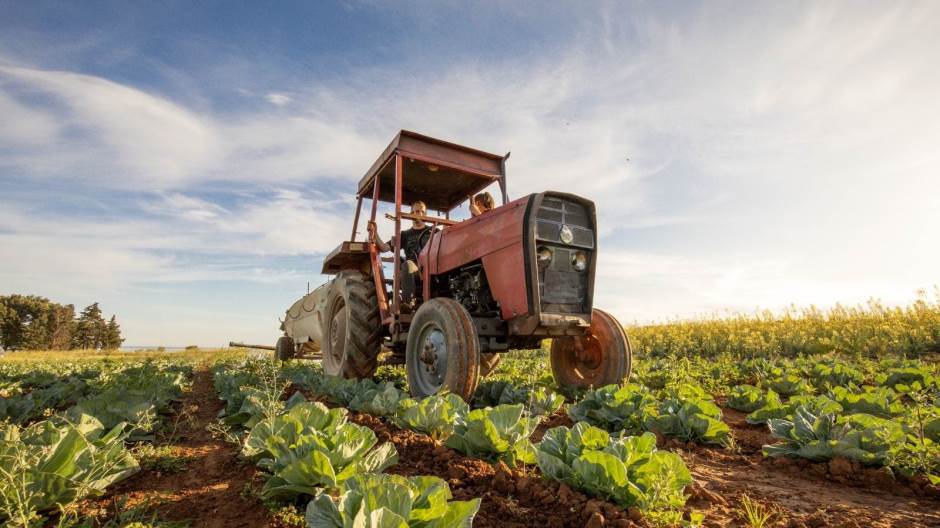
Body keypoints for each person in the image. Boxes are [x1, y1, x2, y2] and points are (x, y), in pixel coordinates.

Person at [368, 201, 433, 306]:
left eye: (422, 211)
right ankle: (408, 303)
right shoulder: (405, 235)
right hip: (414, 269)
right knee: (407, 264)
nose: (419, 214)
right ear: (411, 214)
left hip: (432, 266)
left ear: (425, 214)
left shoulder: (434, 231)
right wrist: (375, 233)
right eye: (416, 211)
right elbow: (384, 248)